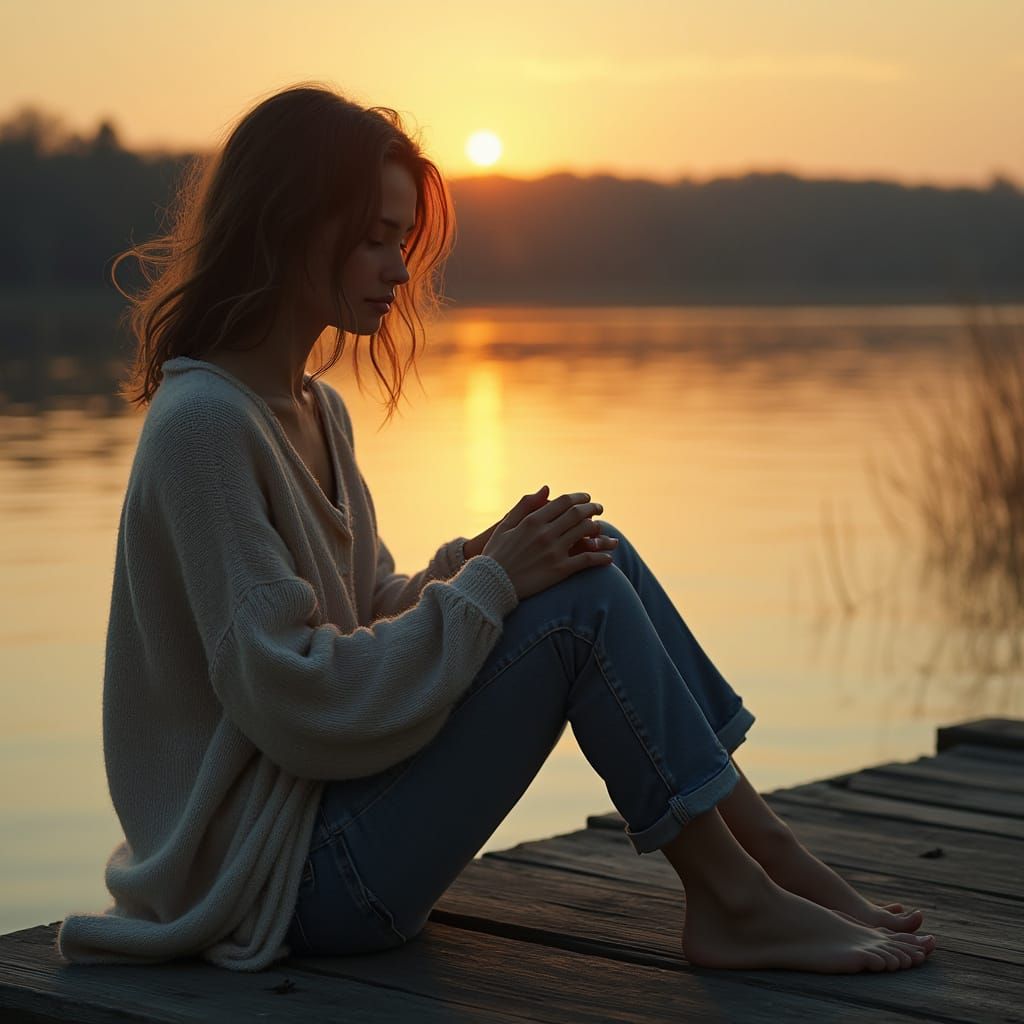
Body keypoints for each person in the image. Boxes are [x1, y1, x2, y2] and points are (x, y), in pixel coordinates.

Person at [55, 82, 935, 974]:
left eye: (401, 241)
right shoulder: (204, 426)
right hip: (288, 882)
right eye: (372, 240)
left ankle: (771, 864)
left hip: (333, 828)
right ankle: (736, 902)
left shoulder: (311, 408)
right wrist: (493, 585)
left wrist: (479, 561)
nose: (399, 270)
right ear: (284, 229)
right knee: (575, 606)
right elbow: (296, 699)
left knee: (591, 554)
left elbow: (364, 618)